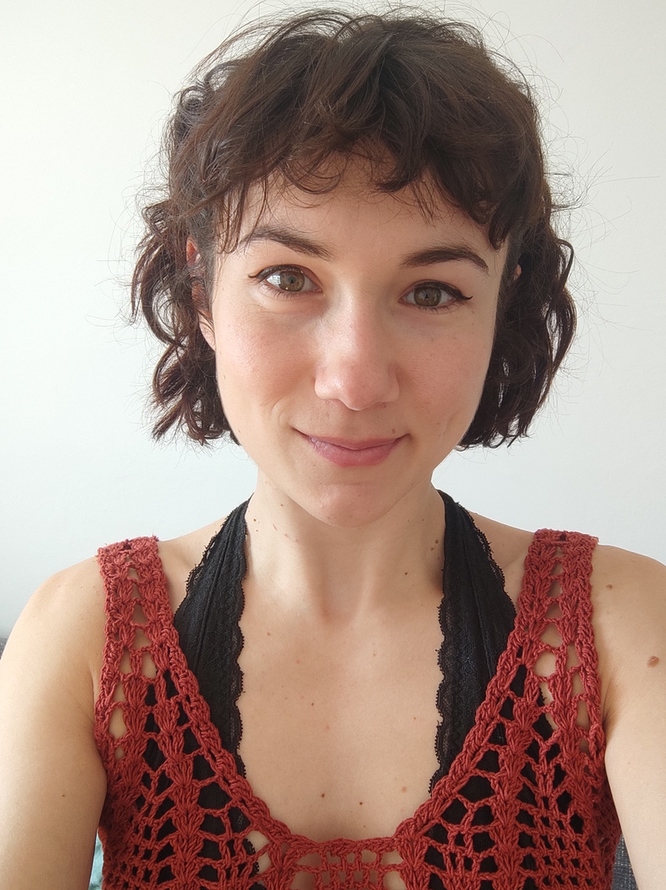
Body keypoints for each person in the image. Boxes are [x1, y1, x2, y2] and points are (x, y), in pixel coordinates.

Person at [0, 8, 664, 890]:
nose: (355, 380)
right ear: (202, 293)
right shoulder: (85, 637)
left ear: (502, 307)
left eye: (433, 292)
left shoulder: (620, 629)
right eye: (288, 278)